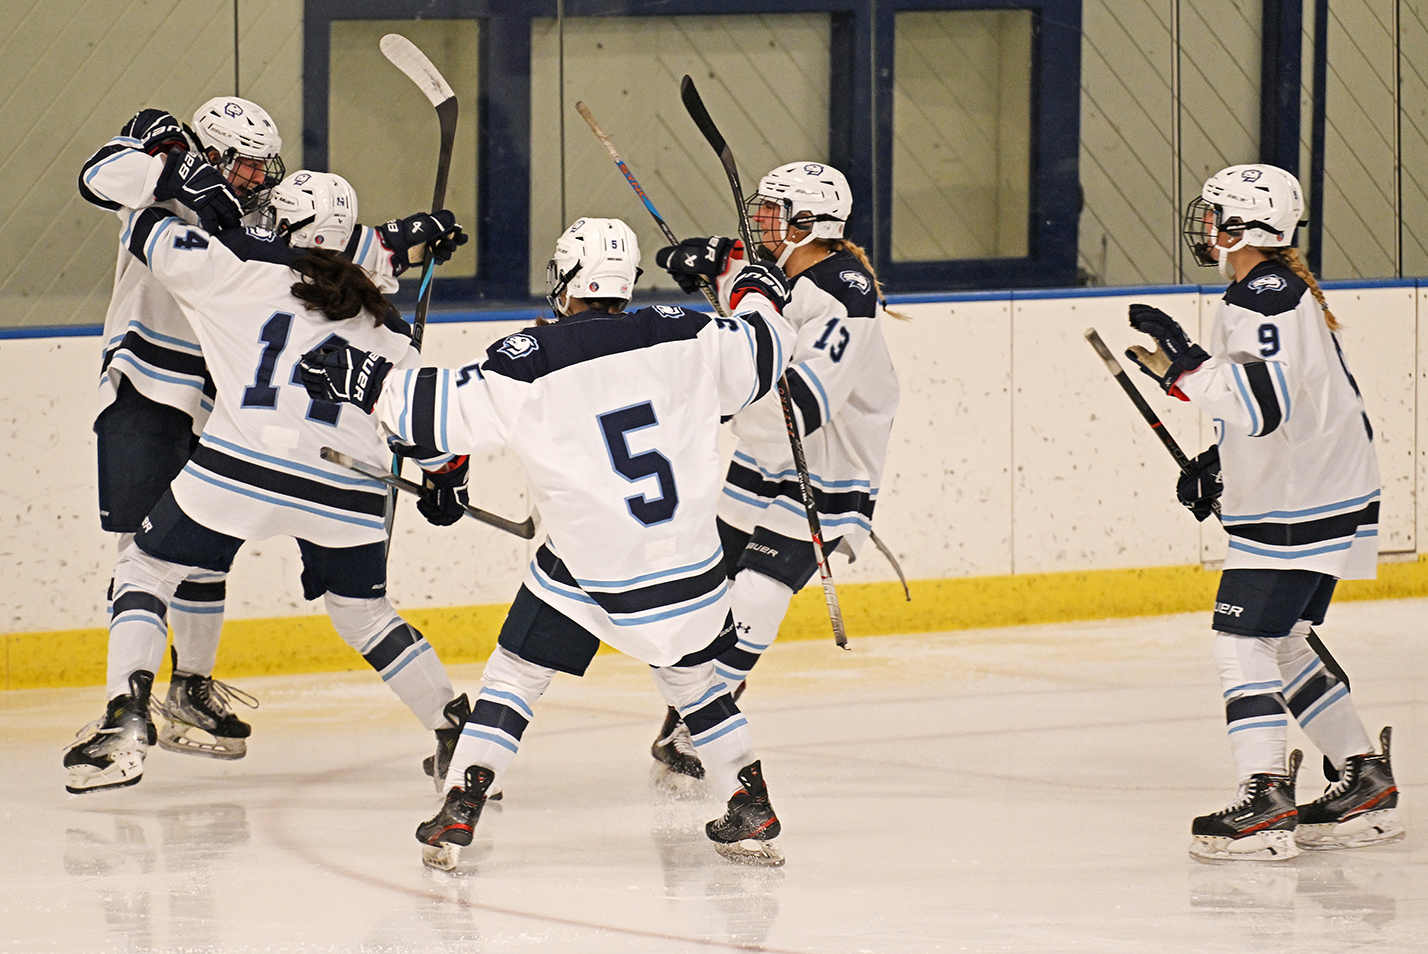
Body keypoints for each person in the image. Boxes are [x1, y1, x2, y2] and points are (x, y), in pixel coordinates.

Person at [298, 217, 799, 869]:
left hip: (597, 581)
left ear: (565, 279)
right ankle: (749, 795)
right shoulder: (694, 336)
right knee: (695, 679)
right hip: (698, 578)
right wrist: (749, 281)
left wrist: (357, 375)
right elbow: (767, 340)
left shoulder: (529, 359)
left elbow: (426, 412)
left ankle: (463, 797)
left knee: (517, 672)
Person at [76, 100, 467, 768]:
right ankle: (457, 729)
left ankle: (145, 702)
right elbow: (102, 178)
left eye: (267, 171)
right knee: (361, 612)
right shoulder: (388, 331)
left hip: (236, 434)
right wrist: (445, 480)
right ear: (218, 155)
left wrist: (395, 238)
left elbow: (298, 244)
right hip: (172, 392)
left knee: (159, 561)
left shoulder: (242, 267)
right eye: (251, 166)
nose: (260, 181)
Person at [1125, 163, 1401, 861]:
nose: (1208, 226)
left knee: (1241, 641)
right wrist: (1222, 462)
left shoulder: (1262, 297)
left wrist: (1181, 367)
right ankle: (1364, 779)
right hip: (1327, 488)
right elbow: (1284, 401)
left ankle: (1264, 797)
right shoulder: (1276, 289)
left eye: (1218, 214)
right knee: (1284, 638)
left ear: (1246, 226)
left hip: (1299, 498)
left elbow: (1261, 405)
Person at [647, 162, 900, 781]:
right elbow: (750, 281)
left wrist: (723, 385)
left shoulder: (847, 292)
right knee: (709, 583)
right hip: (763, 460)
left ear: (808, 222)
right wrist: (710, 263)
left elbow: (798, 409)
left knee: (760, 591)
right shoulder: (786, 265)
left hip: (827, 464)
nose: (760, 221)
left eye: (773, 212)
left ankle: (699, 718)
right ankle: (691, 705)